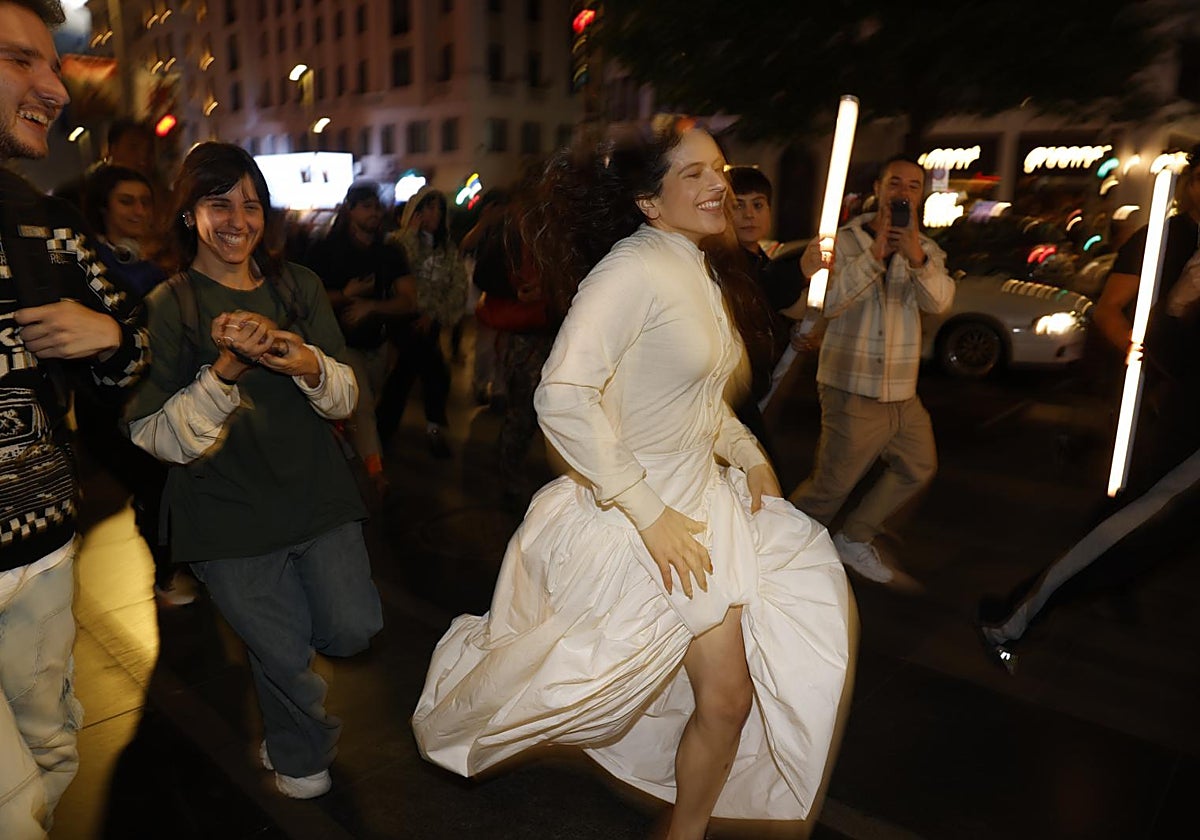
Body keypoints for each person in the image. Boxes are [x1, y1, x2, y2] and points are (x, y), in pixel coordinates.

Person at [413, 119, 854, 840]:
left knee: (724, 700)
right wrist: (648, 513)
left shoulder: (695, 268)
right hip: (645, 524)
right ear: (650, 202)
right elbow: (561, 395)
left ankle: (681, 830)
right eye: (694, 174)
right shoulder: (631, 270)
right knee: (713, 698)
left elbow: (697, 397)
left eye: (720, 168)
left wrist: (750, 458)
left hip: (701, 512)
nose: (718, 184)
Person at [125, 142, 383, 799]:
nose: (238, 219)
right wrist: (225, 372)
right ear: (189, 216)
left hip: (317, 496)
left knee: (353, 628)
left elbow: (348, 394)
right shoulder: (169, 306)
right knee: (284, 654)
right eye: (219, 203)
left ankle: (286, 673)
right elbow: (152, 435)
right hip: (224, 516)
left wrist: (305, 364)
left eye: (251, 204)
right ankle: (300, 753)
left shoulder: (296, 288)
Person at [0, 1, 150, 835]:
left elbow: (130, 363)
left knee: (53, 753)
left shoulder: (46, 222)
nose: (53, 86)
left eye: (50, 64)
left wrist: (107, 337)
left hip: (46, 553)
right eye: (20, 61)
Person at [979, 147, 1200, 666]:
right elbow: (1111, 310)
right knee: (1130, 511)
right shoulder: (1160, 240)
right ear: (1192, 183)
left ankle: (1107, 578)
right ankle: (1032, 606)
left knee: (1149, 518)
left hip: (1176, 391)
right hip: (1162, 394)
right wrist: (1142, 356)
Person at [789, 155, 954, 584]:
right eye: (895, 183)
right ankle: (776, 557)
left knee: (918, 466)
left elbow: (940, 302)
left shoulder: (926, 249)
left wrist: (914, 255)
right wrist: (877, 254)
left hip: (903, 392)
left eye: (914, 186)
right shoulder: (843, 242)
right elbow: (831, 301)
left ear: (921, 196)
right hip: (852, 388)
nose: (903, 192)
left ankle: (854, 537)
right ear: (878, 189)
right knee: (829, 489)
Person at [74, 163, 197, 606]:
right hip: (109, 404)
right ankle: (166, 574)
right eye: (127, 201)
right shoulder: (87, 265)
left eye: (145, 201)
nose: (139, 210)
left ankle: (178, 565)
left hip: (159, 396)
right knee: (152, 484)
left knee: (167, 486)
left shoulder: (159, 262)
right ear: (103, 207)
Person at [303, 181, 416, 497]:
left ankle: (350, 444)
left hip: (378, 344)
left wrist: (371, 306)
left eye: (377, 206)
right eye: (366, 206)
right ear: (349, 210)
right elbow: (306, 298)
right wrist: (346, 295)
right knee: (362, 402)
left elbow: (409, 299)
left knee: (364, 402)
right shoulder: (325, 249)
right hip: (339, 343)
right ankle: (376, 474)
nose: (374, 213)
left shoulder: (390, 252)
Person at [383, 187, 467, 458]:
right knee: (431, 373)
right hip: (404, 322)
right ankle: (429, 429)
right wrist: (410, 234)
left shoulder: (447, 249)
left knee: (407, 376)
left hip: (430, 324)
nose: (434, 214)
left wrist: (434, 314)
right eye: (428, 208)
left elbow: (457, 286)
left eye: (438, 209)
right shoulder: (399, 242)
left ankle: (384, 431)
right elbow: (399, 273)